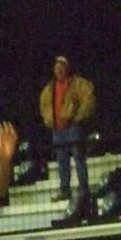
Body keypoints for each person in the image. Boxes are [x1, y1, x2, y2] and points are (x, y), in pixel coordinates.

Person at [38, 55, 96, 208]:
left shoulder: (77, 83)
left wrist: (78, 118)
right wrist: (48, 120)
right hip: (57, 129)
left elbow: (88, 99)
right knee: (62, 162)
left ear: (67, 68)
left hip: (73, 127)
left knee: (79, 158)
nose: (59, 70)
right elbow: (43, 106)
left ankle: (84, 189)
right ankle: (65, 190)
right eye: (56, 67)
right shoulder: (50, 88)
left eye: (61, 67)